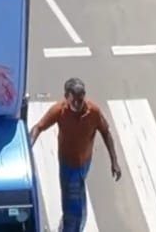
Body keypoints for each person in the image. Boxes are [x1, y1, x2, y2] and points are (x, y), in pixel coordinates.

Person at [29, 77, 122, 232]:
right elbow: (39, 127)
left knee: (77, 193)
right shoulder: (59, 111)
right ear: (66, 97)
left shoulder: (93, 112)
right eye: (75, 100)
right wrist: (29, 144)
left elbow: (106, 132)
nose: (79, 104)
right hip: (68, 165)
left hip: (85, 164)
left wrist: (114, 161)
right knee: (72, 208)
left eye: (81, 98)